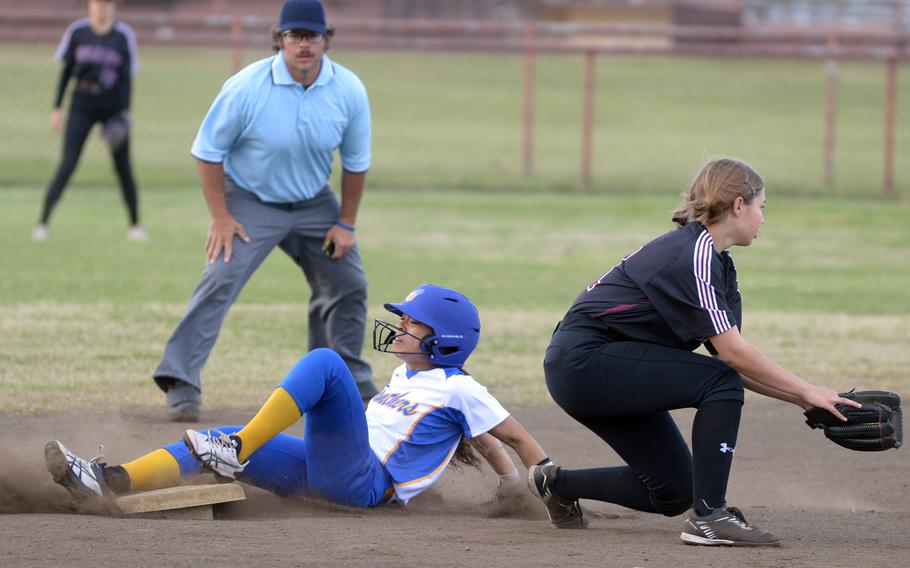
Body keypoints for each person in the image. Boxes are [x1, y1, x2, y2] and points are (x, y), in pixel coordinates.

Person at [528, 158, 862, 546]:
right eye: (761, 207)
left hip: (604, 366)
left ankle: (557, 484)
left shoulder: (718, 264)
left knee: (674, 490)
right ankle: (710, 516)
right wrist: (805, 389)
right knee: (718, 384)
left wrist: (807, 401)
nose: (763, 218)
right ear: (739, 205)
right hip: (584, 362)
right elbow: (732, 362)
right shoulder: (695, 254)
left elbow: (728, 362)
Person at [45, 285, 583, 525]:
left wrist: (543, 487)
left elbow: (509, 434)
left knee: (328, 362)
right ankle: (109, 481)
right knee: (228, 435)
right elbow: (482, 439)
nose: (399, 327)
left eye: (412, 323)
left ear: (444, 340)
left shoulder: (462, 387)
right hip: (334, 471)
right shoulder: (408, 375)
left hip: (363, 484)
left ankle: (237, 447)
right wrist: (508, 483)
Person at [153, 0, 378, 422]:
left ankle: (344, 378)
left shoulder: (348, 89)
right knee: (221, 277)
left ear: (326, 40)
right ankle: (180, 380)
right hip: (250, 199)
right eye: (295, 36)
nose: (304, 45)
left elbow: (356, 162)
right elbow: (208, 152)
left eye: (313, 36)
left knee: (348, 282)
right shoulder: (247, 86)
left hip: (314, 202)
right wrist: (221, 216)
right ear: (280, 39)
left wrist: (345, 222)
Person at [34, 0, 145, 242]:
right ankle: (42, 223)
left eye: (106, 3)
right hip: (82, 104)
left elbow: (126, 78)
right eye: (97, 3)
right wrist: (57, 106)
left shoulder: (122, 36)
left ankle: (135, 226)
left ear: (113, 7)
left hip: (112, 107)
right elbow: (66, 71)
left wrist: (125, 113)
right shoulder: (78, 32)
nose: (101, 8)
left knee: (123, 168)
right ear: (89, 5)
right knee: (68, 164)